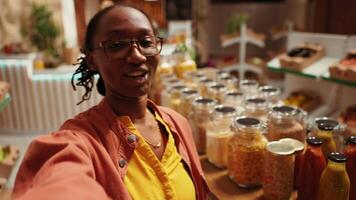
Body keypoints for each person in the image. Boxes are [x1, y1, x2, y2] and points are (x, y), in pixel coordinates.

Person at [13, 4, 209, 200]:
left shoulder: (177, 123)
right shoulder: (79, 140)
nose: (137, 56)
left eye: (146, 42)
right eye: (117, 45)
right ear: (92, 60)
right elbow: (59, 181)